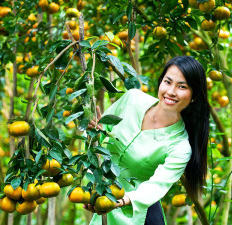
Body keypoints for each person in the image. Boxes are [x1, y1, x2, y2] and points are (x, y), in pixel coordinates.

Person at [85, 56, 210, 225]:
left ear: (194, 96)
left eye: (182, 86)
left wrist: (122, 200)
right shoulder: (132, 99)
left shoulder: (180, 146)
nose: (171, 91)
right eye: (168, 82)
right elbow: (100, 137)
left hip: (139, 213)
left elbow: (156, 186)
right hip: (102, 197)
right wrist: (94, 131)